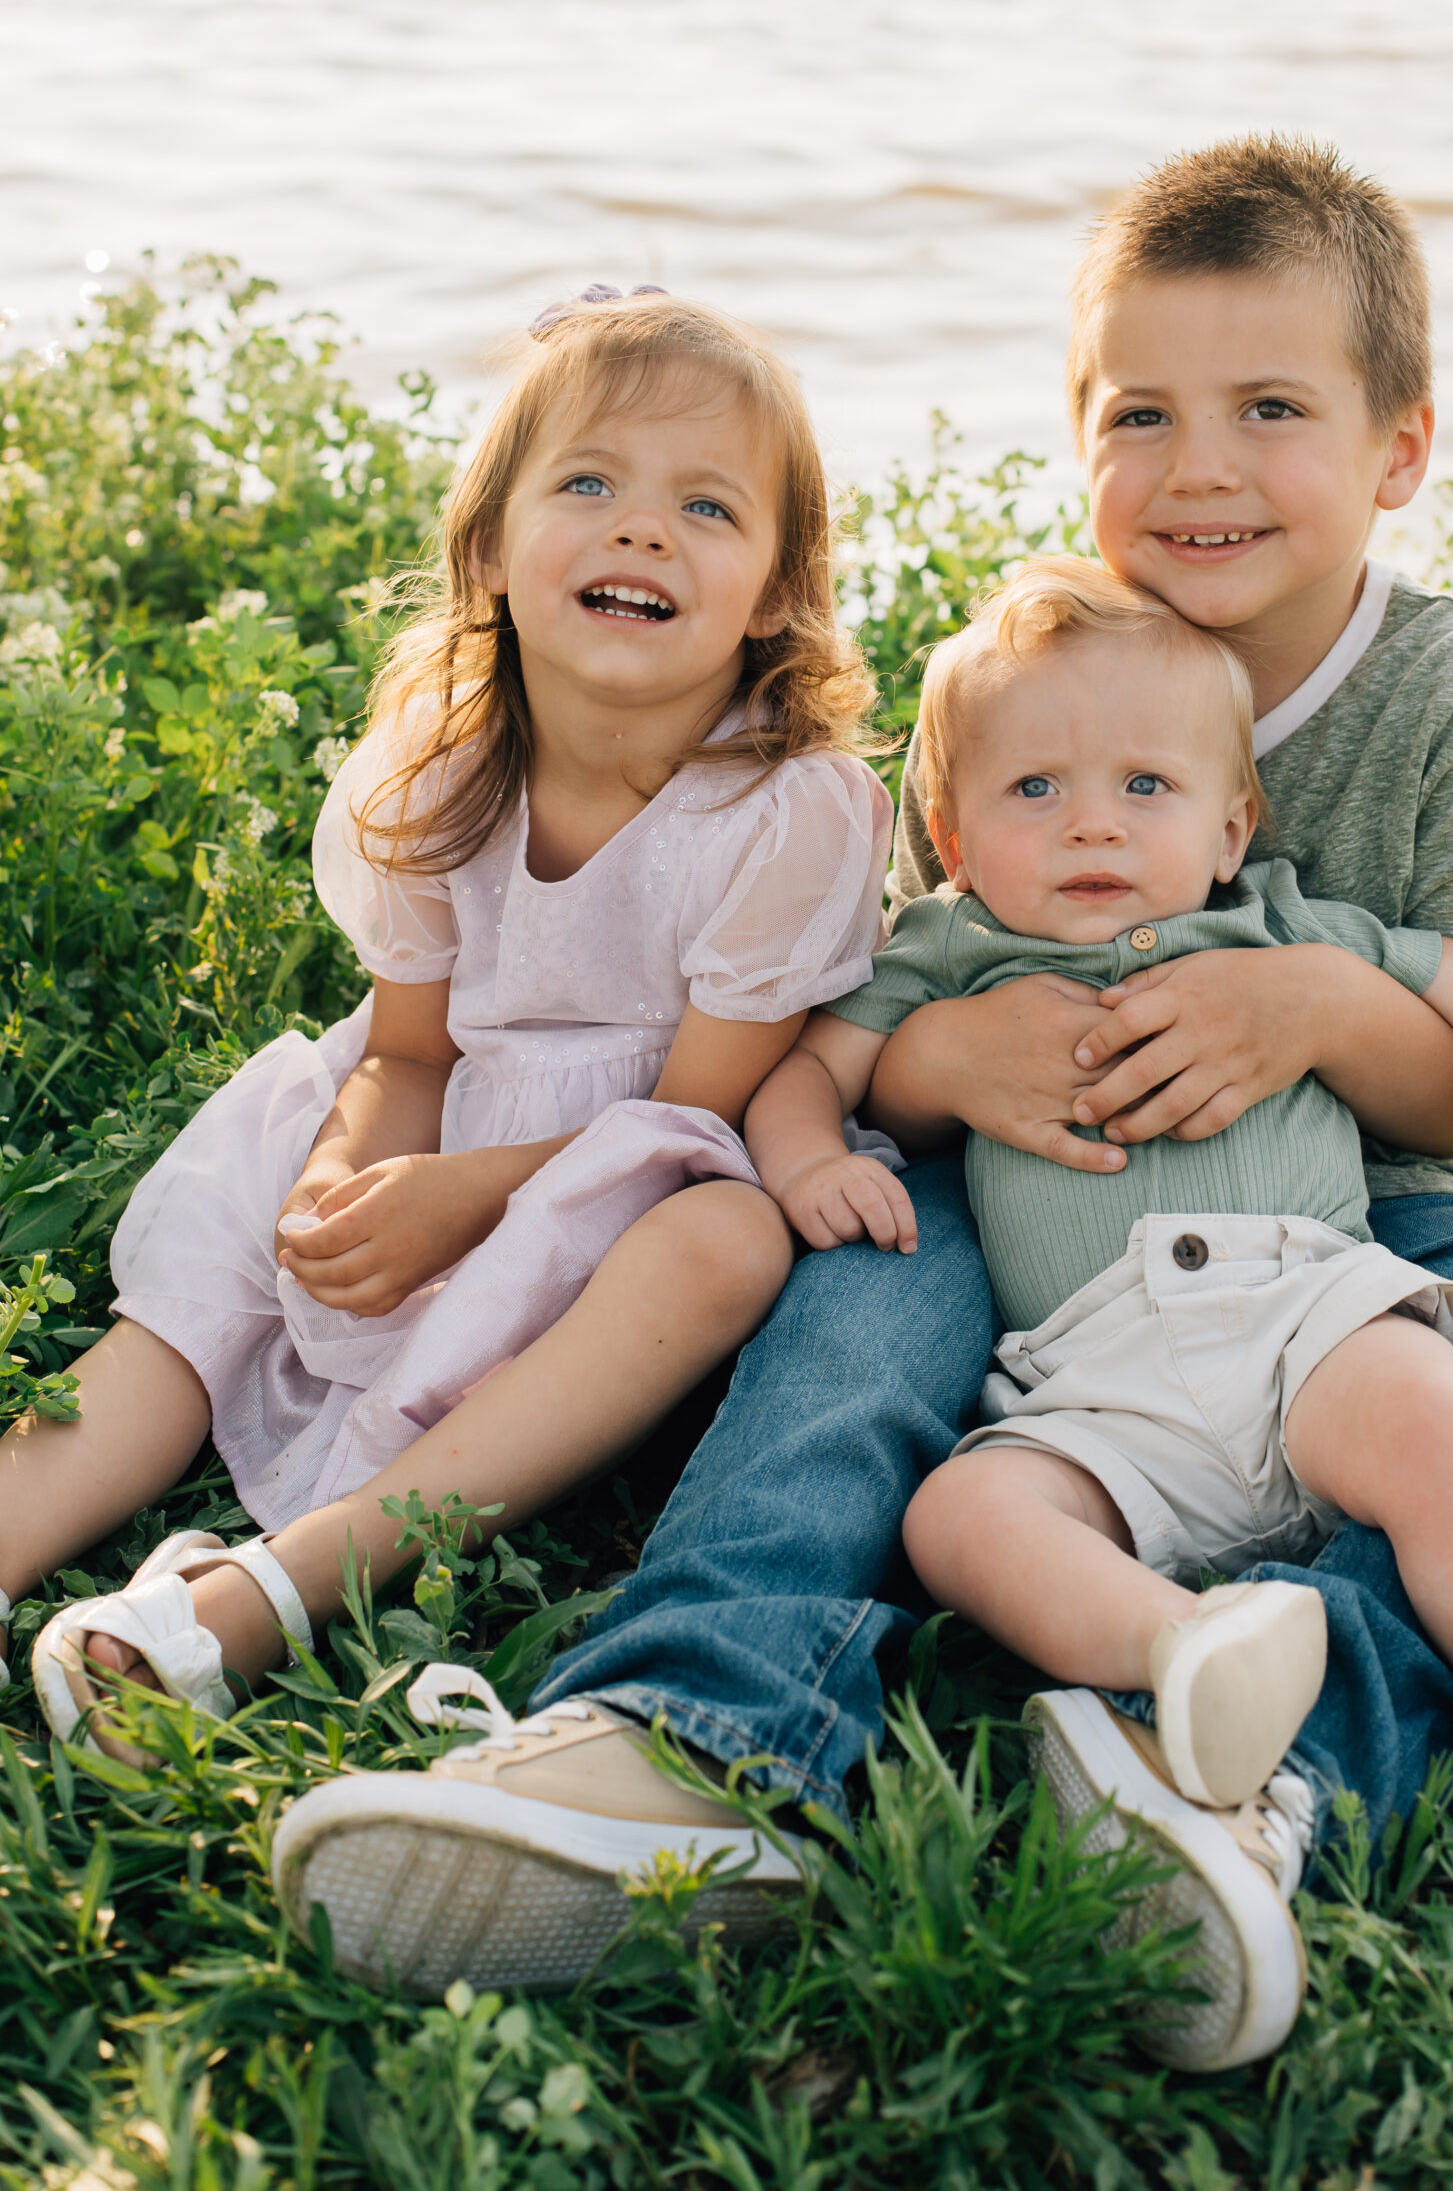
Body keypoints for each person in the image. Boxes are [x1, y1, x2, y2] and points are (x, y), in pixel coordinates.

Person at [271, 140, 1453, 2071]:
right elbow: (891, 977)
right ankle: (700, 1727)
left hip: (1349, 1202)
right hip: (1032, 1182)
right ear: (1078, 433)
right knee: (862, 1266)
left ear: (1399, 449)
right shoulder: (1043, 642)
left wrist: (1309, 1004)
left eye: (1270, 410)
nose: (1198, 469)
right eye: (1143, 416)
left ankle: (1246, 1775)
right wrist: (929, 1072)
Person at [746, 556, 1453, 2065]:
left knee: (1445, 1433)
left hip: (1303, 1311)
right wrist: (807, 1157)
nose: (1095, 822)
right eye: (1037, 789)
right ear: (948, 831)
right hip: (1086, 1380)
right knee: (964, 1523)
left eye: (1143, 784)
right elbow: (813, 1071)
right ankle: (1193, 1657)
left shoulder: (1277, 921)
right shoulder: (942, 952)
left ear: (1233, 823)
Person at [6, 290, 890, 1778]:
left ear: (778, 593)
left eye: (707, 505)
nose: (642, 530)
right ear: (488, 548)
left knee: (723, 1242)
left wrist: (459, 1202)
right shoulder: (439, 765)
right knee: (214, 1294)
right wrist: (353, 1179)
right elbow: (408, 1050)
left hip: (627, 1180)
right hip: (441, 1115)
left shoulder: (788, 813)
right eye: (589, 484)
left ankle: (281, 1584)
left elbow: (693, 1120)